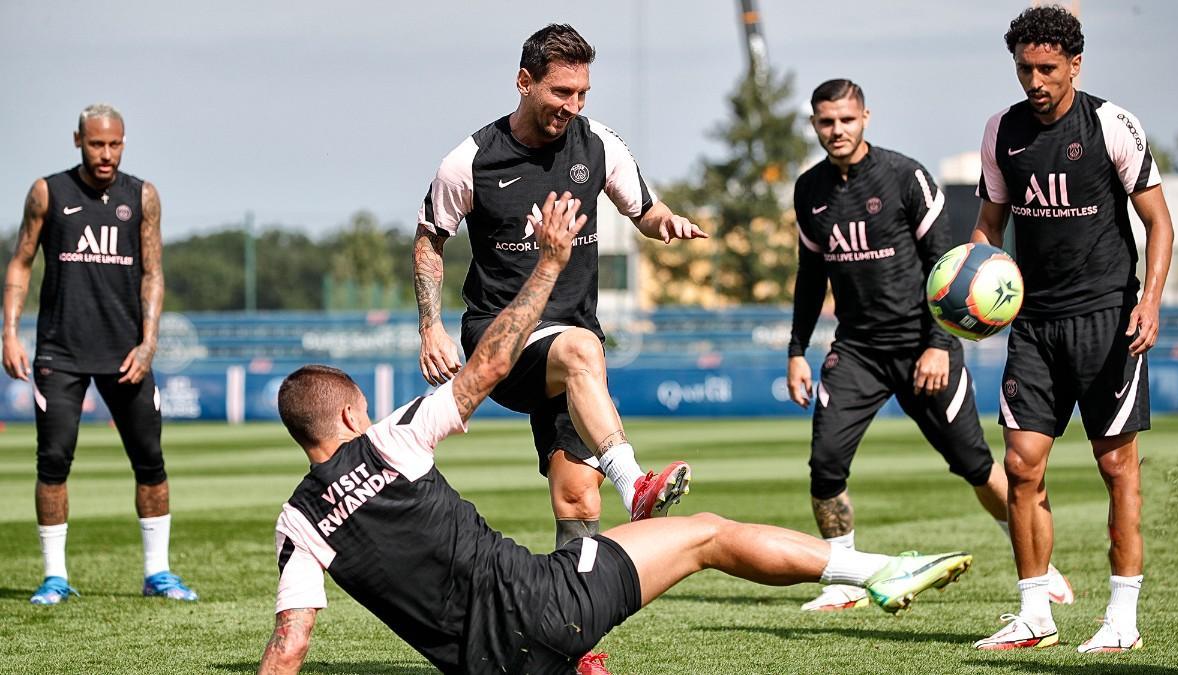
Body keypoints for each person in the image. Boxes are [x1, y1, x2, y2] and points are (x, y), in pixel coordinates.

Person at [258, 193, 974, 675]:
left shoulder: (297, 523)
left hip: (489, 665)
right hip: (549, 606)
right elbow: (491, 363)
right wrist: (548, 262)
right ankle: (876, 570)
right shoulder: (392, 437)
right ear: (351, 413)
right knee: (705, 533)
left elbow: (290, 646)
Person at [413, 24, 708, 549]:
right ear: (524, 82)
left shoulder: (598, 144)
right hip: (500, 340)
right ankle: (636, 484)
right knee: (580, 348)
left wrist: (667, 222)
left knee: (578, 497)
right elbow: (430, 238)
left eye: (582, 93)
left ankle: (573, 621)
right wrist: (430, 326)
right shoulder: (471, 161)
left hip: (575, 350)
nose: (572, 104)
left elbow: (644, 209)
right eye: (560, 92)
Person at [787, 79, 1072, 612]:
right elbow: (809, 276)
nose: (836, 131)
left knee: (975, 464)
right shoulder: (809, 190)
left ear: (865, 117)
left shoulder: (904, 176)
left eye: (846, 120)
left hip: (925, 347)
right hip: (857, 351)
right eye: (826, 122)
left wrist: (939, 344)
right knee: (825, 464)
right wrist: (797, 349)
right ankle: (846, 579)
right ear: (814, 124)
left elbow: (951, 261)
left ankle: (1041, 562)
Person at [970, 6, 1173, 653]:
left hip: (1109, 320)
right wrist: (976, 285)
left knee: (1117, 467)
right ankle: (1034, 613)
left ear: (1075, 65)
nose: (1035, 79)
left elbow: (1159, 223)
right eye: (1025, 67)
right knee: (1021, 464)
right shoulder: (1002, 131)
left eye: (1048, 68)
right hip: (1034, 327)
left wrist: (1152, 301)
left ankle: (1122, 619)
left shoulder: (1111, 124)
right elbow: (988, 225)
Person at [2, 104, 197, 605]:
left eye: (114, 144)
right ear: (78, 141)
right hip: (60, 353)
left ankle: (158, 573)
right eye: (95, 144)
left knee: (150, 461)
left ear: (124, 142)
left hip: (126, 354)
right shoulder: (48, 192)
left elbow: (153, 271)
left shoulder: (142, 196)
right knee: (53, 463)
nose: (105, 154)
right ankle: (54, 577)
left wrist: (149, 343)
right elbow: (21, 262)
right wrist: (8, 332)